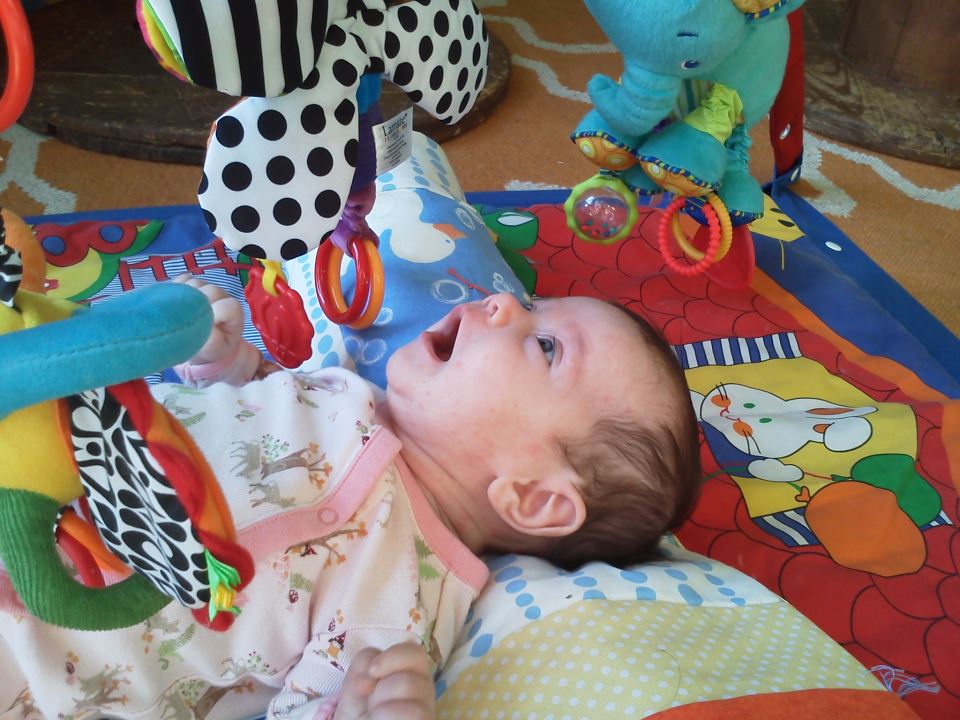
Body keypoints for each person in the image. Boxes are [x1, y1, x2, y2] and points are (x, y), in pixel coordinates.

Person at [0, 278, 701, 720]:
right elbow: (246, 409)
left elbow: (309, 702)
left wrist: (362, 706)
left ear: (534, 499)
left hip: (38, 647)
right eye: (536, 301)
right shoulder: (345, 389)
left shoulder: (409, 602)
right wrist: (223, 361)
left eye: (546, 346)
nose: (507, 302)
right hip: (34, 463)